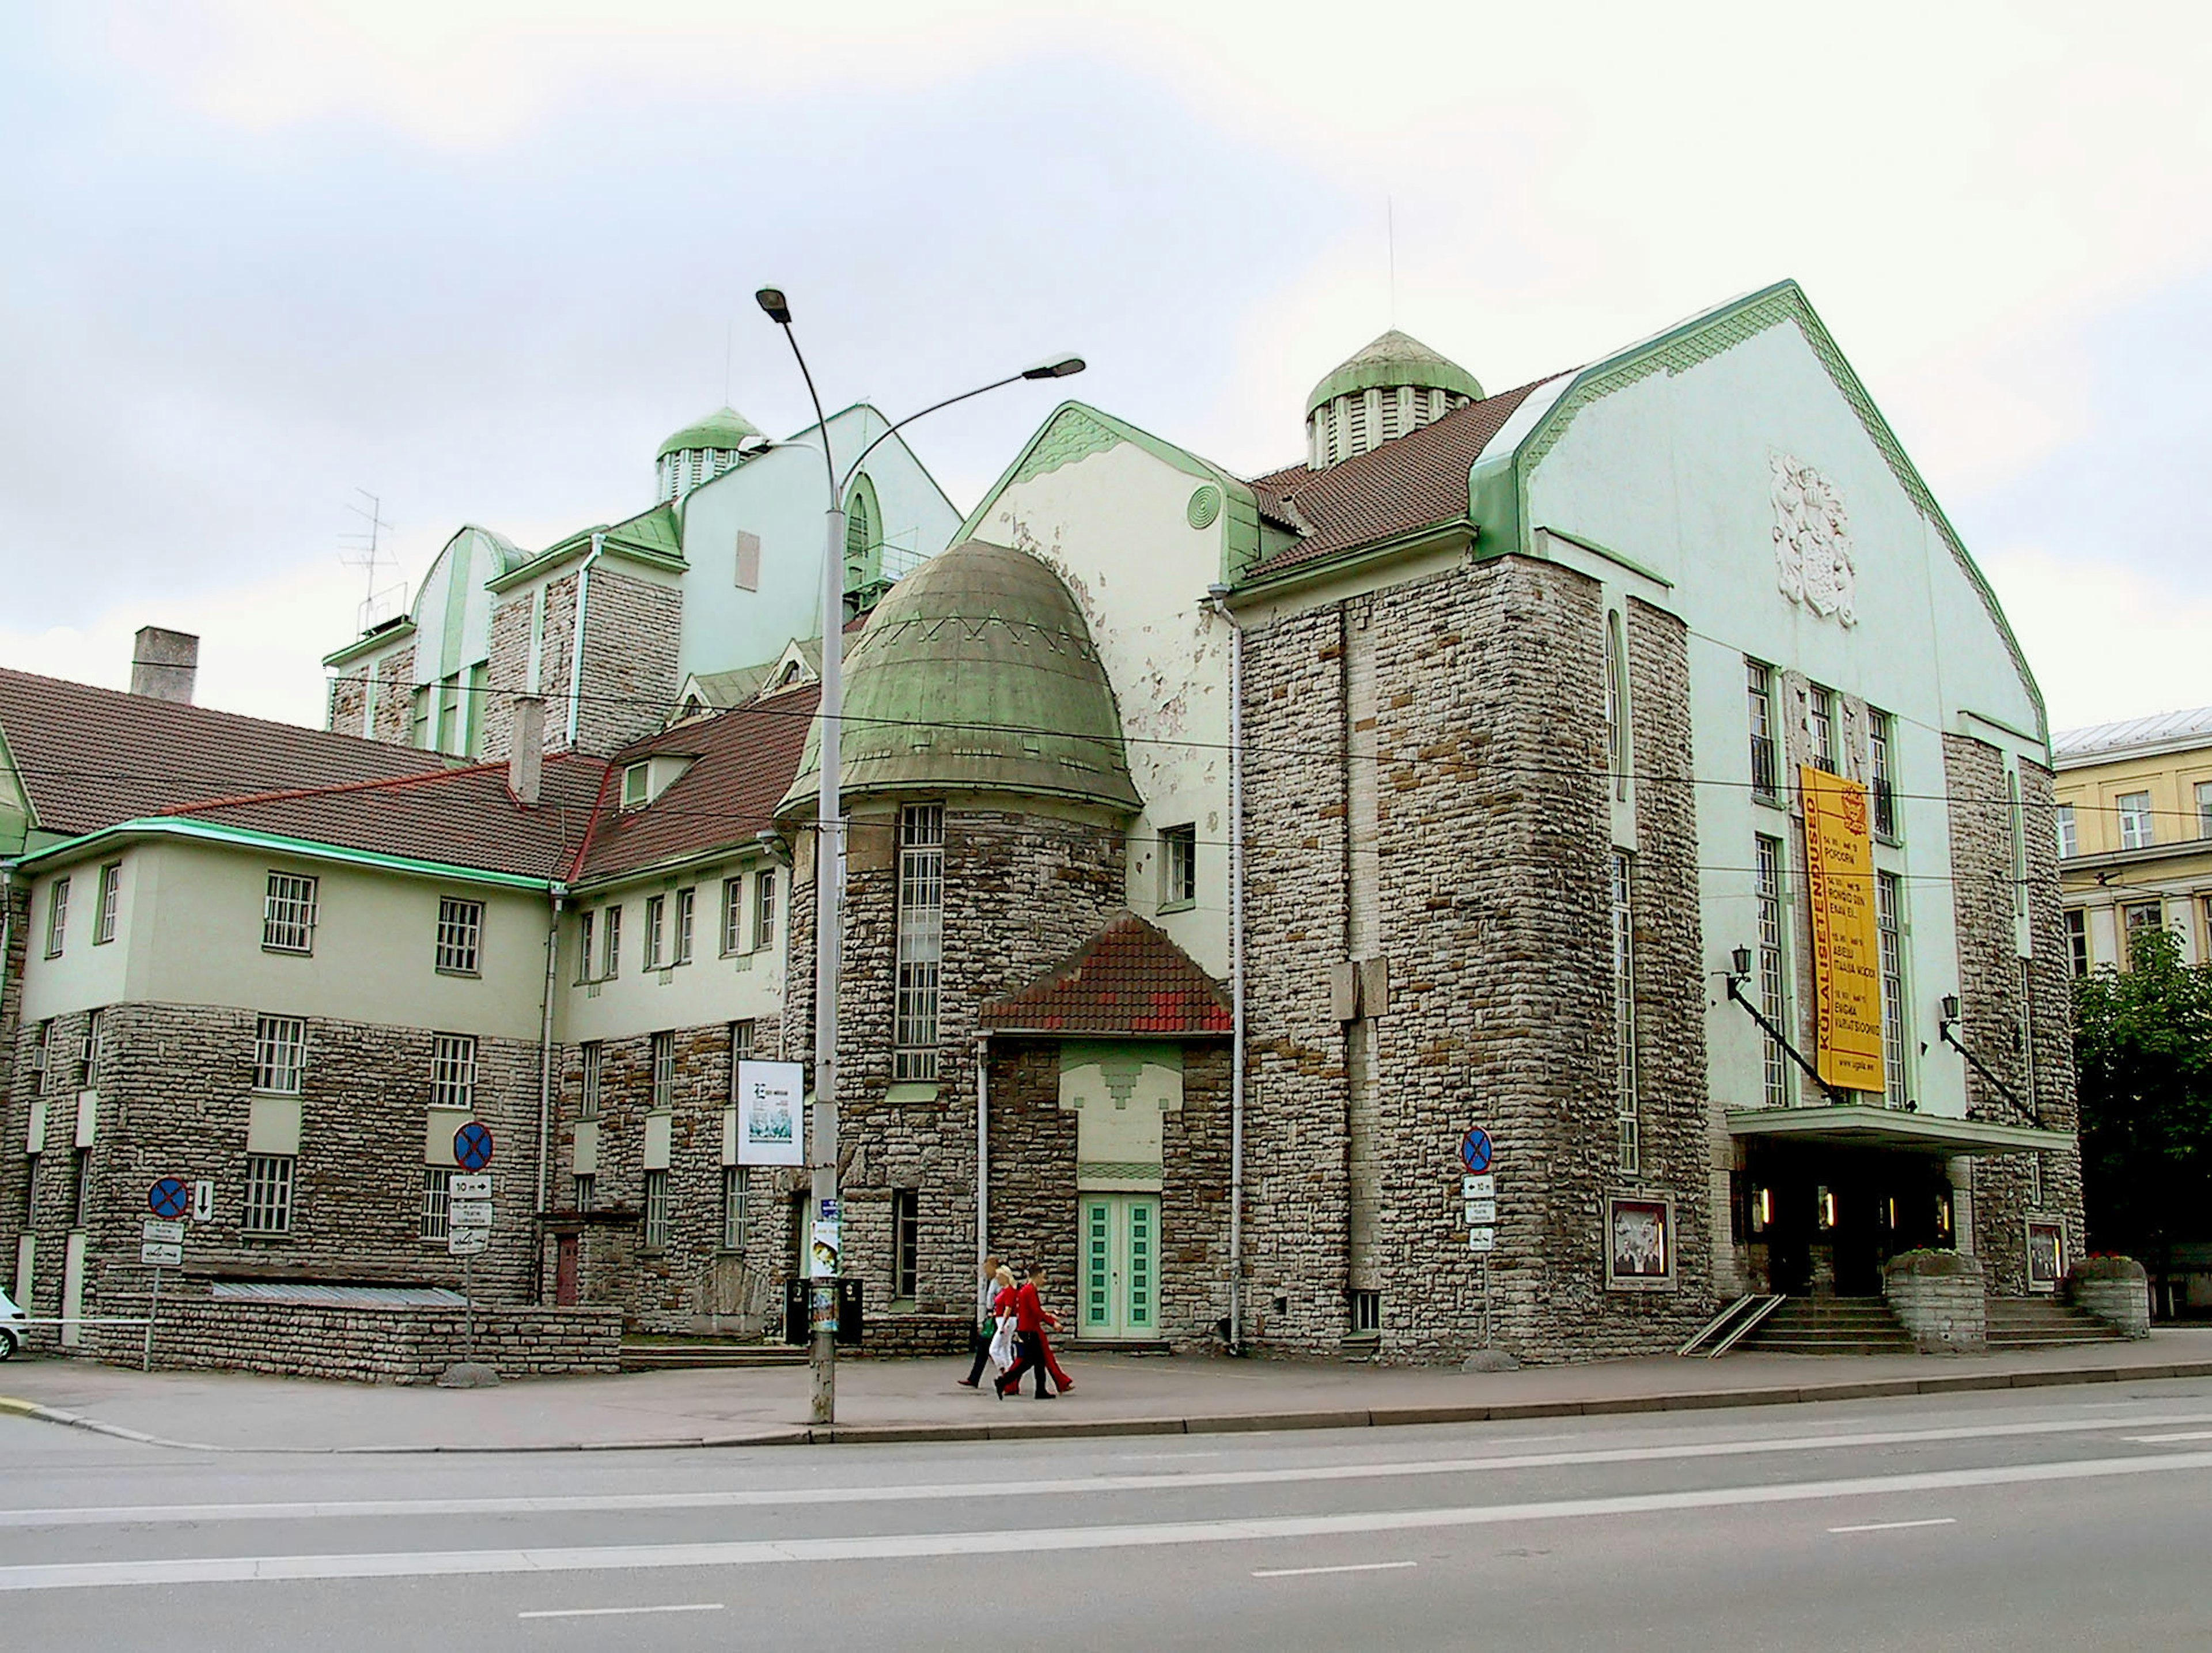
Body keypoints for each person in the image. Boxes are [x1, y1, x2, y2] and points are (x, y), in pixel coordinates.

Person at [995, 1264, 1060, 1399]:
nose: (1044, 1281)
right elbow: (1036, 1311)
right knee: (1029, 1361)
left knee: (1038, 1361)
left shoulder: (1025, 1290)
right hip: (1030, 1330)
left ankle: (1040, 1390)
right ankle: (1004, 1381)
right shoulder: (1030, 1291)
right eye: (1043, 1277)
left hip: (1026, 1329)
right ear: (1036, 1276)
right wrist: (1052, 1322)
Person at [957, 1255, 1000, 1388]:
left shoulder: (999, 1281)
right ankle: (974, 1378)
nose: (985, 1272)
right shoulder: (993, 1281)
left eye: (987, 1268)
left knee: (999, 1349)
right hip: (991, 1317)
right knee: (984, 1348)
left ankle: (1009, 1377)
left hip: (997, 1319)